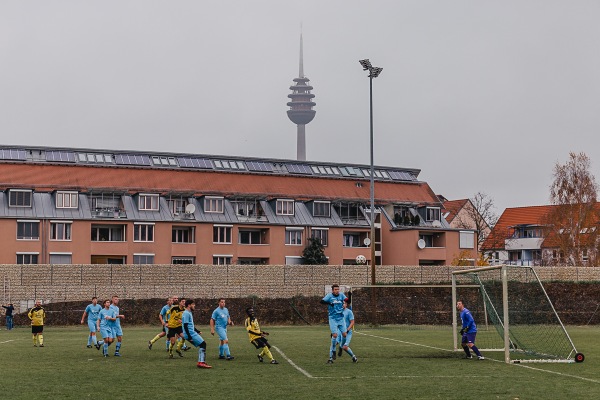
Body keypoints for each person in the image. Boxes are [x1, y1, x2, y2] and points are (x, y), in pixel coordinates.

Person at [320, 284, 347, 363]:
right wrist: (329, 303)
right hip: (332, 318)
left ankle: (341, 347)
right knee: (335, 335)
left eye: (338, 289)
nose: (337, 291)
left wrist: (345, 304)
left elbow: (346, 301)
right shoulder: (329, 296)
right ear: (332, 290)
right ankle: (334, 351)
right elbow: (321, 301)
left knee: (345, 335)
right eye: (335, 289)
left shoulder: (341, 295)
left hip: (341, 318)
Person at [181, 299, 212, 369]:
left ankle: (201, 362)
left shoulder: (189, 313)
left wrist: (197, 331)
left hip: (192, 333)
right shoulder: (186, 313)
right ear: (189, 305)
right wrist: (189, 336)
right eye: (193, 304)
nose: (194, 306)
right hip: (190, 334)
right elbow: (185, 325)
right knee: (203, 344)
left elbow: (190, 325)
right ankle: (201, 362)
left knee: (202, 345)